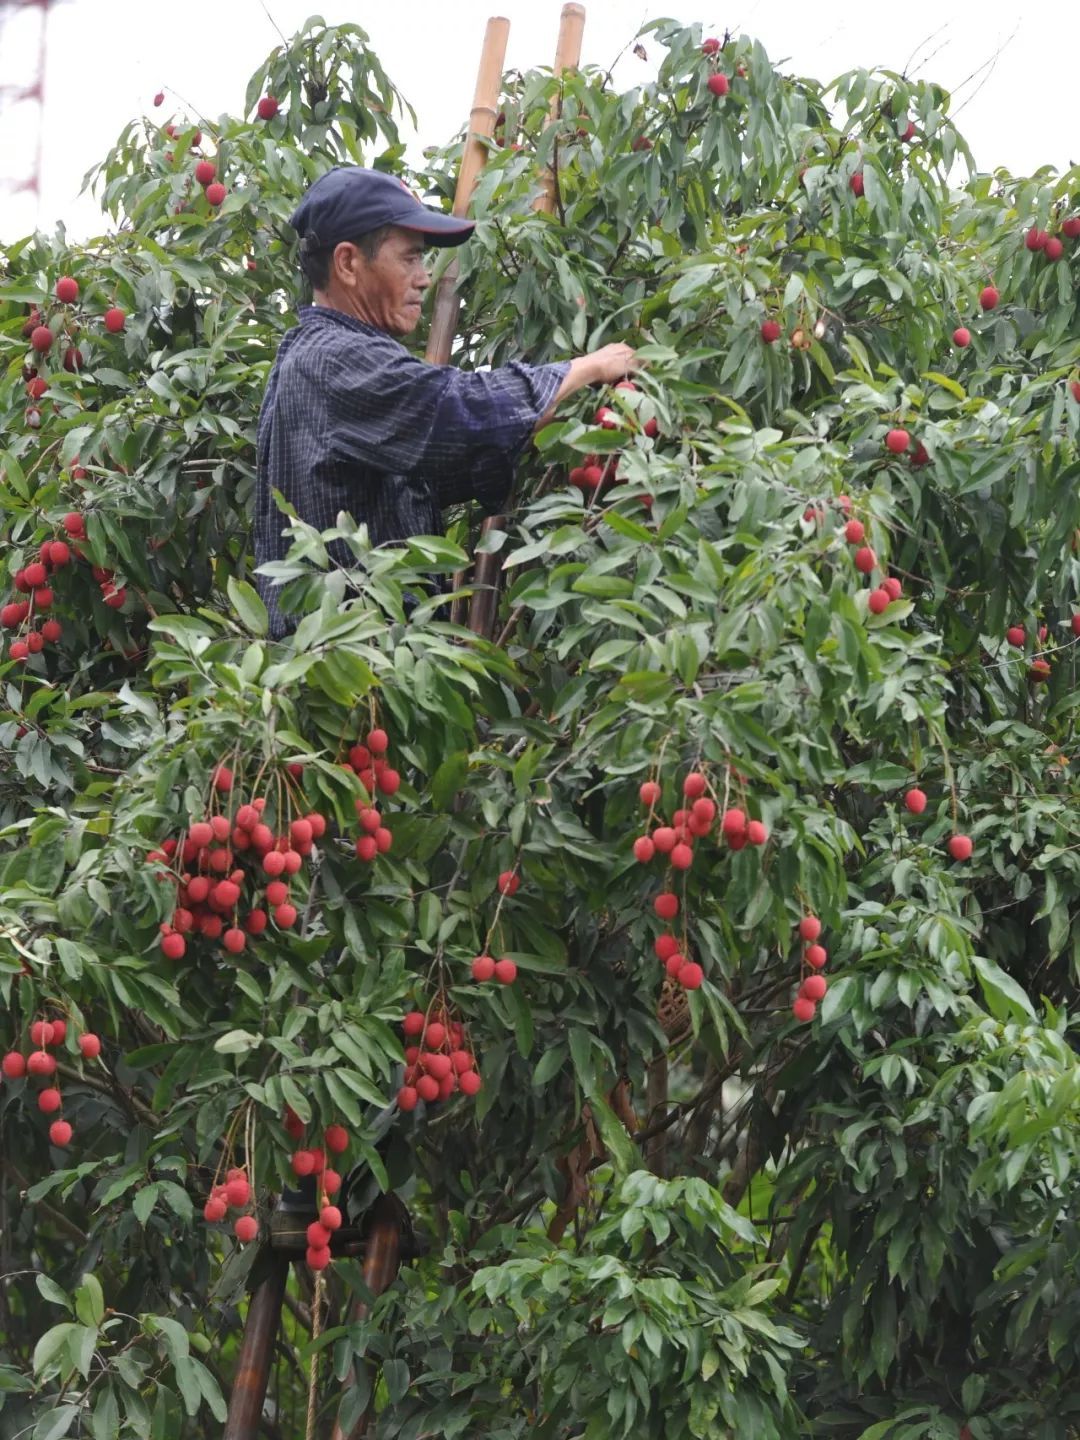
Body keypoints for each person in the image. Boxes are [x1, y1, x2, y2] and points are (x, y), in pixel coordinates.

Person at [254, 165, 642, 637]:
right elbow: (455, 407)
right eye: (410, 259)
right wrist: (586, 368)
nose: (424, 278)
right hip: (352, 677)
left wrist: (539, 420)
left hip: (355, 670)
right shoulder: (334, 359)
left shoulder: (317, 354)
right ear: (348, 263)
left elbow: (419, 473)